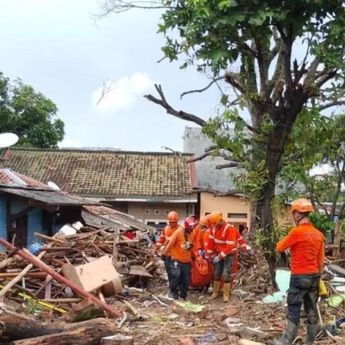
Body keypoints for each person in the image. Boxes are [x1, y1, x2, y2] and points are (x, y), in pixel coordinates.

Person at [271, 198, 325, 345]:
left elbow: (280, 247)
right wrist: (317, 276)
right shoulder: (318, 234)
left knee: (294, 307)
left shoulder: (296, 232)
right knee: (311, 308)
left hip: (299, 276)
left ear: (296, 214)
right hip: (314, 276)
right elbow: (320, 260)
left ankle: (286, 341)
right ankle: (310, 341)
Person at [205, 212, 238, 302]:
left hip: (228, 254)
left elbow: (230, 246)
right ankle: (215, 292)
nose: (215, 226)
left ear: (220, 220)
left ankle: (226, 294)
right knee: (216, 273)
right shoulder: (214, 227)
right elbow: (211, 242)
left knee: (226, 273)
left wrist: (219, 257)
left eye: (216, 224)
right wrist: (208, 254)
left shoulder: (229, 229)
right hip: (219, 253)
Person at [162, 216, 196, 299]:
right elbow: (170, 245)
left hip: (186, 260)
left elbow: (191, 246)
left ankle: (183, 295)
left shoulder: (193, 233)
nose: (192, 229)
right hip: (176, 259)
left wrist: (194, 256)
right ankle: (174, 292)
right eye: (190, 227)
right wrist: (164, 254)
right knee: (175, 276)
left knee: (185, 279)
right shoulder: (178, 233)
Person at [156, 211, 182, 296]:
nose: (172, 224)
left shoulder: (180, 230)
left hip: (177, 256)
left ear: (177, 221)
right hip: (167, 255)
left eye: (173, 222)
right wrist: (157, 248)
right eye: (170, 222)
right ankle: (172, 289)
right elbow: (161, 240)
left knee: (176, 274)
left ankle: (176, 290)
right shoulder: (166, 228)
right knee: (169, 273)